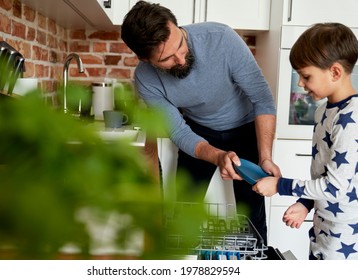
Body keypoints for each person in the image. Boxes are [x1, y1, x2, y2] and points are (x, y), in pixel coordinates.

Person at [121, 1, 281, 243]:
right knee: (185, 208)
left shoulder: (221, 38)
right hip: (197, 133)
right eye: (167, 58)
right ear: (145, 59)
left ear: (176, 25)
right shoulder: (145, 79)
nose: (181, 60)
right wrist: (217, 156)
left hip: (247, 128)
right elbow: (178, 131)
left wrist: (265, 156)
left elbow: (262, 99)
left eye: (181, 45)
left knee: (251, 214)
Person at [253, 22, 358, 259]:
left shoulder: (352, 119)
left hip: (347, 235)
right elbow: (327, 175)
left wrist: (281, 186)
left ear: (334, 72)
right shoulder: (323, 112)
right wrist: (306, 203)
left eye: (305, 75)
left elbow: (334, 187)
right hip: (324, 228)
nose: (300, 83)